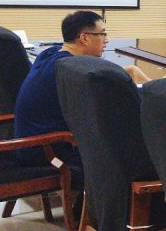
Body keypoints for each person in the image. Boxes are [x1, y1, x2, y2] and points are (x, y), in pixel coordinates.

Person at [14, 10, 148, 168]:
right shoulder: (70, 72)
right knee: (134, 148)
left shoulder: (52, 55)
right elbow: (114, 99)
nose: (107, 40)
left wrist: (130, 71)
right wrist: (154, 89)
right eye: (102, 34)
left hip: (32, 145)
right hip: (50, 156)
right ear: (84, 38)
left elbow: (101, 79)